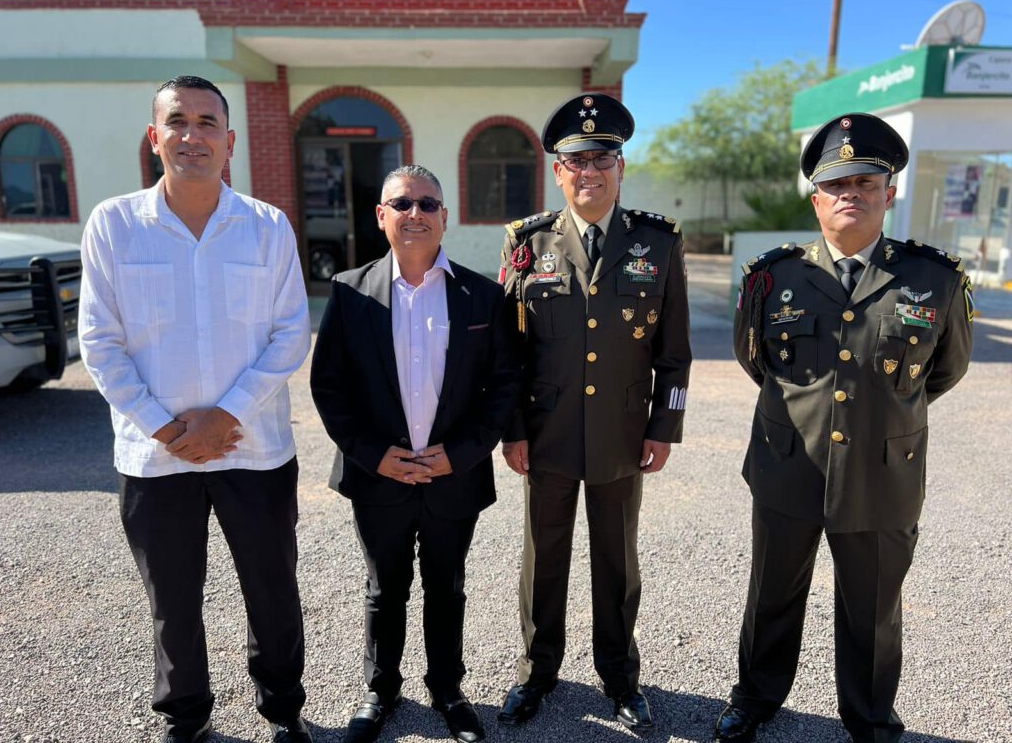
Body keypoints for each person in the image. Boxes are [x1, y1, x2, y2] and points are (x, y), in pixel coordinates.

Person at [716, 113, 974, 743]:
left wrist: (883, 414)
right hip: (788, 464)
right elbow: (759, 363)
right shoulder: (771, 277)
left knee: (874, 607)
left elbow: (944, 370)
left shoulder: (934, 278)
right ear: (816, 198)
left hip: (883, 473)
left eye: (866, 181)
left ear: (890, 193)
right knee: (772, 593)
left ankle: (869, 717)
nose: (850, 193)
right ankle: (755, 698)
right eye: (837, 184)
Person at [78, 76, 312, 743]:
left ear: (230, 141)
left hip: (255, 450)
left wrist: (226, 416)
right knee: (172, 601)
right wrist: (163, 426)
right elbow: (98, 340)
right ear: (155, 139)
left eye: (208, 122)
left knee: (272, 591)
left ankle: (282, 710)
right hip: (155, 456)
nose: (192, 134)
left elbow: (290, 333)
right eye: (176, 121)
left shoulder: (267, 227)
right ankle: (186, 717)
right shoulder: (114, 225)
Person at [497, 93, 692, 731]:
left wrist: (665, 427)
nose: (590, 170)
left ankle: (619, 675)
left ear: (620, 167)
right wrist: (513, 429)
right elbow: (508, 352)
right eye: (577, 159)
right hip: (547, 434)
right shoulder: (527, 243)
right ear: (558, 171)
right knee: (543, 556)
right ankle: (538, 672)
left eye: (602, 157)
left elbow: (676, 351)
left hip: (621, 433)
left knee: (617, 558)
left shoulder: (658, 244)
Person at [310, 165, 519, 743]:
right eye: (402, 204)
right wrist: (374, 456)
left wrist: (465, 453)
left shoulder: (483, 294)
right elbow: (329, 386)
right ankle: (382, 690)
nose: (416, 214)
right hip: (380, 477)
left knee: (447, 586)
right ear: (381, 216)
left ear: (445, 217)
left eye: (429, 204)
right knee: (384, 588)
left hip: (453, 476)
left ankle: (448, 689)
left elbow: (503, 385)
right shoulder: (351, 292)